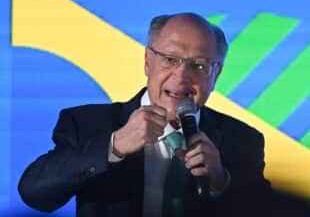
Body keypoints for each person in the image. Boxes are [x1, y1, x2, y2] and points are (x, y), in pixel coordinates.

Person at [18, 13, 272, 217]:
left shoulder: (241, 140)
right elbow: (34, 193)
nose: (182, 77)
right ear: (148, 61)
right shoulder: (88, 124)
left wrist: (220, 181)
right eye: (170, 60)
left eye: (199, 66)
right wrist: (113, 145)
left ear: (216, 75)